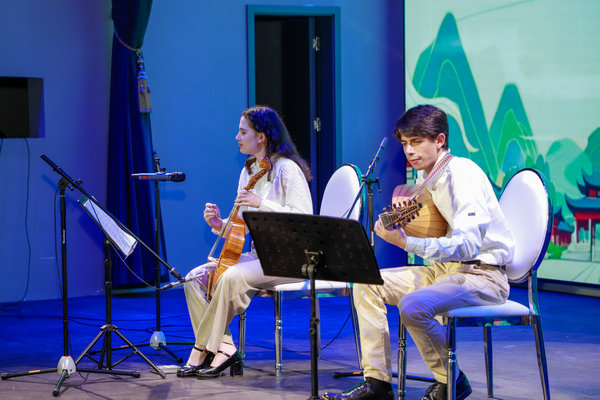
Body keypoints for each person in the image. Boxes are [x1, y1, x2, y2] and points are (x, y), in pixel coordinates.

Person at [322, 105, 514, 400]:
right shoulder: (429, 179)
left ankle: (452, 379)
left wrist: (406, 242)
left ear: (440, 140)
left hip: (482, 275)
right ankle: (377, 384)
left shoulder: (462, 175)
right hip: (445, 271)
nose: (409, 151)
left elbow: (468, 245)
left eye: (416, 141)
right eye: (404, 143)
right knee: (367, 282)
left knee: (412, 305)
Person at [177, 105, 313, 379]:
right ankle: (226, 347)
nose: (237, 137)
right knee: (194, 278)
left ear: (261, 136)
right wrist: (219, 225)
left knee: (230, 277)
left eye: (242, 132)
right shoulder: (250, 170)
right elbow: (241, 225)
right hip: (259, 256)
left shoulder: (287, 169)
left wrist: (262, 203)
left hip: (289, 258)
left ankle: (201, 348)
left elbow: (304, 220)